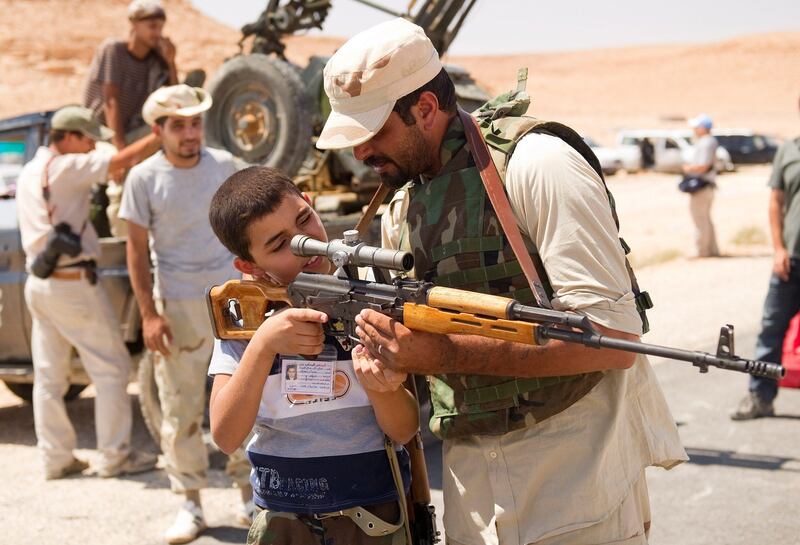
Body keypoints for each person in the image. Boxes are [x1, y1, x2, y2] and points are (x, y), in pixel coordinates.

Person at [316, 18, 687, 545]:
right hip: (471, 485)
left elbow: (614, 339)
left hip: (575, 476)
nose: (360, 154)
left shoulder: (538, 164)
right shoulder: (404, 203)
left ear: (424, 108)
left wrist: (442, 354)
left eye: (373, 133)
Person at [206, 166, 418, 544]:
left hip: (373, 515)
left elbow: (404, 429)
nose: (305, 243)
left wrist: (378, 384)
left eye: (305, 219)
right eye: (278, 244)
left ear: (311, 203)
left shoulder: (371, 293)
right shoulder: (248, 318)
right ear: (249, 266)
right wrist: (264, 344)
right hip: (285, 522)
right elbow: (225, 435)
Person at [118, 85, 251, 544]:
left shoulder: (225, 165)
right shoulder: (142, 178)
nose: (190, 133)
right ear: (159, 130)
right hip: (175, 306)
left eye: (195, 123)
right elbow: (136, 252)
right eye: (179, 126)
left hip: (230, 301)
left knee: (244, 399)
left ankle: (248, 496)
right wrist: (149, 316)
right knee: (180, 409)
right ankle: (190, 503)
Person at [16, 105, 161, 480]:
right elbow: (119, 162)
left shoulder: (32, 169)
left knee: (49, 377)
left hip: (41, 280)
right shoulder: (65, 167)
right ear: (67, 138)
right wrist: (159, 135)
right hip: (71, 283)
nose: (90, 146)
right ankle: (115, 456)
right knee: (111, 369)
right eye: (86, 139)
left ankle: (56, 458)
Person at [83, 0, 179, 237]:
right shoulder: (113, 49)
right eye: (152, 27)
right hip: (101, 133)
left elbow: (176, 101)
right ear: (134, 25)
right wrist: (120, 152)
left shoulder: (156, 58)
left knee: (177, 135)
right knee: (119, 179)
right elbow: (110, 102)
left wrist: (171, 62)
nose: (158, 33)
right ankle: (123, 243)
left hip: (133, 131)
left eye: (160, 27)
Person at [731, 98, 800, 420]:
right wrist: (778, 248)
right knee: (771, 330)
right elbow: (776, 202)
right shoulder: (788, 151)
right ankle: (760, 397)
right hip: (791, 263)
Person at [682, 114, 721, 257]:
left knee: (700, 219)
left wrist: (688, 169)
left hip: (702, 186)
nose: (694, 129)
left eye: (697, 127)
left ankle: (702, 251)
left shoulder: (706, 142)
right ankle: (712, 249)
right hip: (707, 186)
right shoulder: (709, 142)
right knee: (706, 219)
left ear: (703, 128)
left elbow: (703, 166)